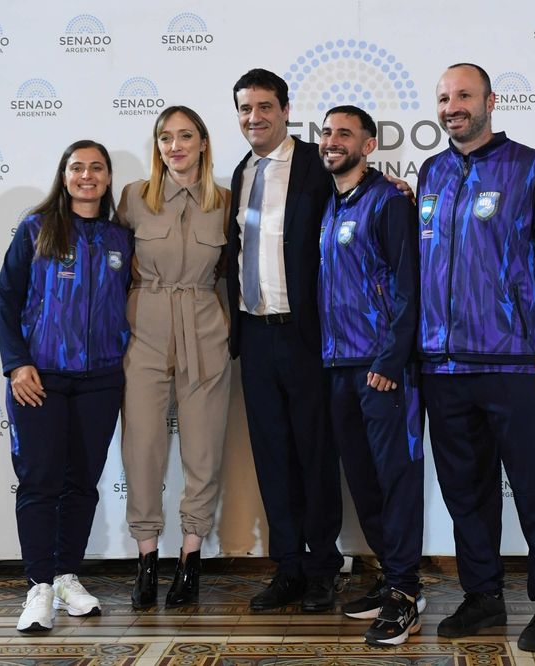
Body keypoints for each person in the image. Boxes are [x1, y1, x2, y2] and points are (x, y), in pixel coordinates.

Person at [417, 64, 535, 652]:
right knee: (466, 492)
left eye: (463, 95)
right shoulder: (432, 171)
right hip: (443, 366)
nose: (452, 106)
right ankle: (482, 597)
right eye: (443, 98)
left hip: (514, 363)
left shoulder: (531, 168)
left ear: (490, 101)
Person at [0, 140, 133, 632]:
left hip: (101, 379)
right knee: (39, 481)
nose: (87, 176)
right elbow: (7, 299)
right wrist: (17, 364)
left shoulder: (121, 237)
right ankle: (38, 587)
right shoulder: (36, 229)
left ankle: (66, 576)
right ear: (64, 175)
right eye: (78, 167)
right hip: (41, 377)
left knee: (81, 483)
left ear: (108, 177)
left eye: (97, 168)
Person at [225, 68, 344, 612]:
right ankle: (288, 567)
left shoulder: (315, 167)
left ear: (286, 109)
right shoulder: (240, 172)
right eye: (246, 109)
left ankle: (323, 568)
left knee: (315, 454)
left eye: (264, 107)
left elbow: (355, 202)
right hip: (253, 334)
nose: (255, 118)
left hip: (304, 335)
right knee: (272, 456)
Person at [316, 105, 425, 646]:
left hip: (382, 369)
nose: (333, 141)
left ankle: (406, 594)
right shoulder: (331, 205)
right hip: (339, 367)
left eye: (344, 133)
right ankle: (394, 579)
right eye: (327, 132)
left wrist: (390, 360)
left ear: (369, 143)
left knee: (396, 480)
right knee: (364, 482)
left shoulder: (388, 201)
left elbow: (409, 288)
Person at [117, 106, 231, 609]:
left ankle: (190, 558)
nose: (175, 145)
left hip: (205, 328)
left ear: (203, 143)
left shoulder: (225, 202)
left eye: (186, 136)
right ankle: (146, 558)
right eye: (166, 137)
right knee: (141, 449)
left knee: (202, 452)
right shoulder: (133, 198)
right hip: (145, 330)